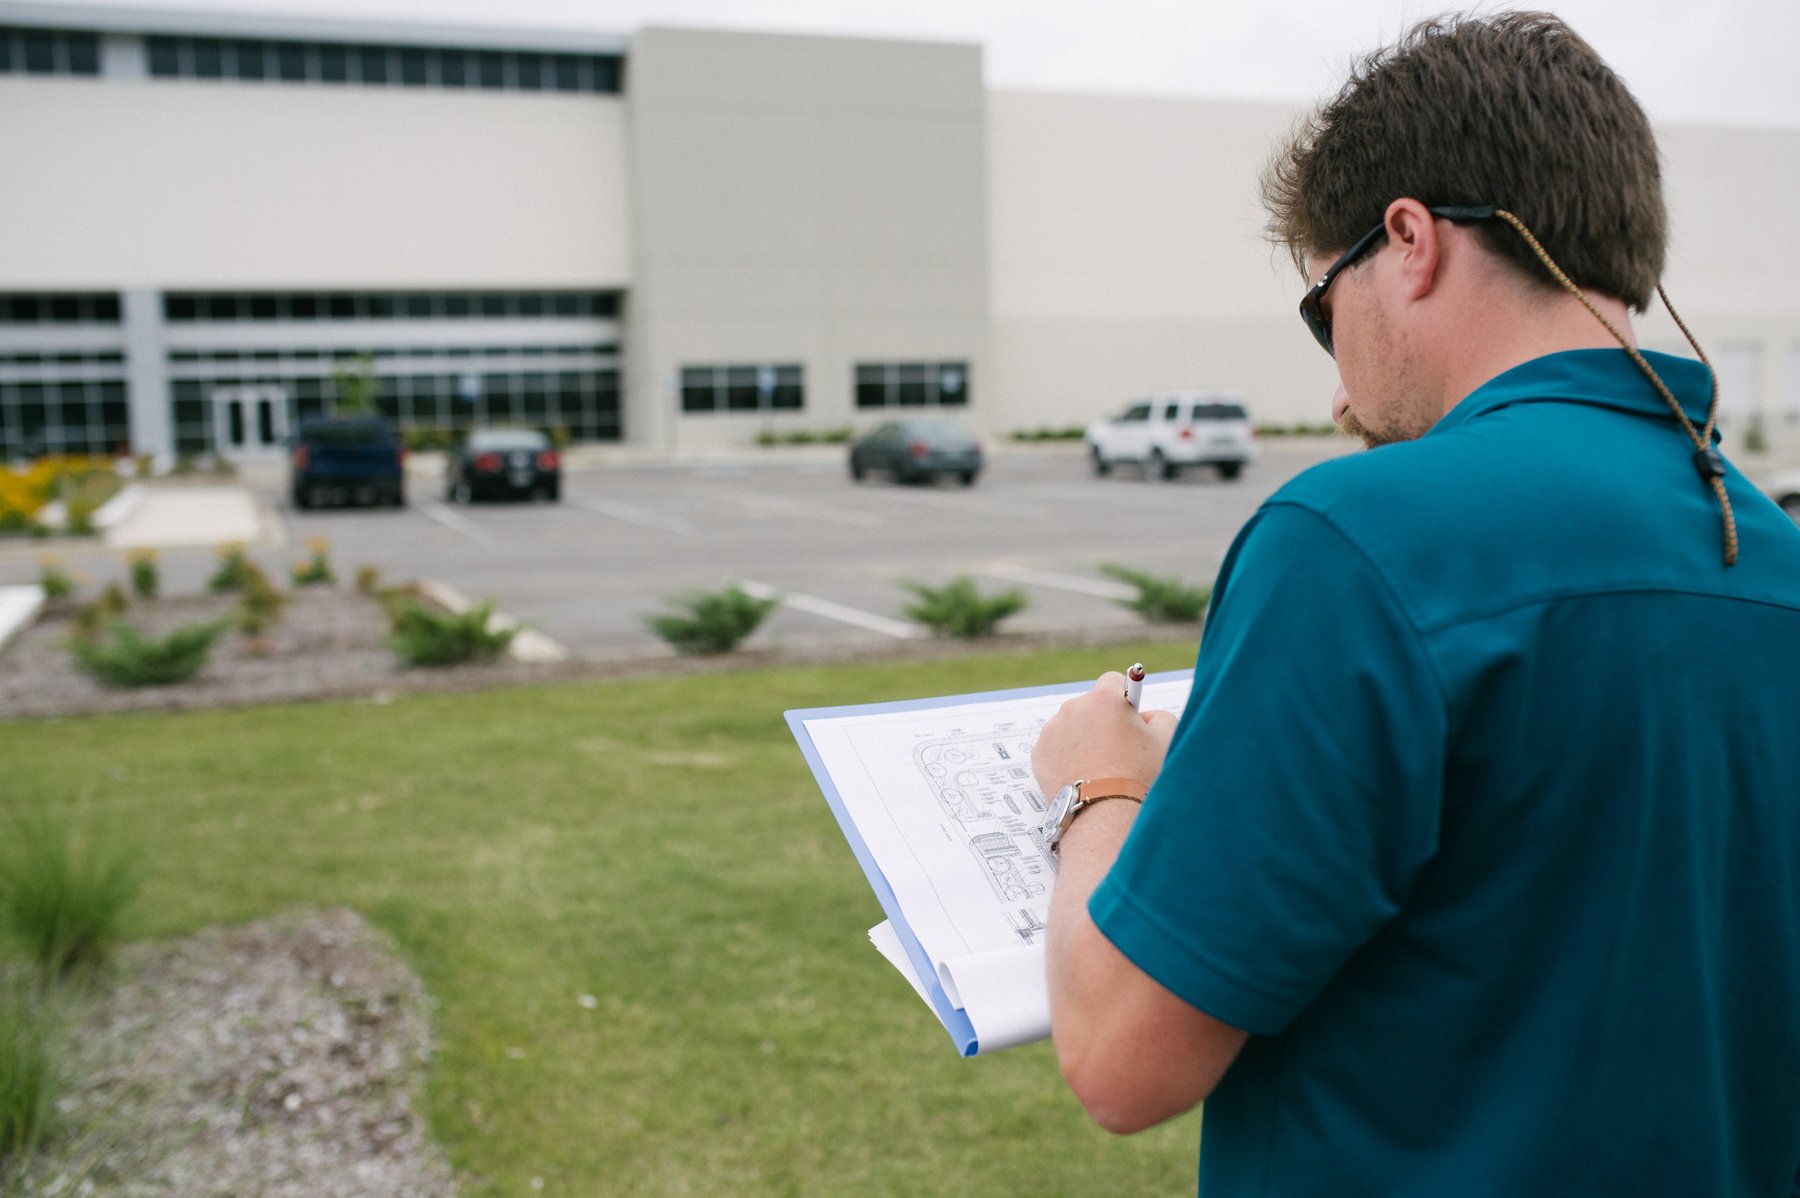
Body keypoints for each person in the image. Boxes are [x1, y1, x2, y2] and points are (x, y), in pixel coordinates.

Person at [1030, 12, 1800, 1195]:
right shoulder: (1774, 556)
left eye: (1322, 307)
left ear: (1408, 242)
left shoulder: (1355, 538)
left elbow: (1120, 1056)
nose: (1338, 391)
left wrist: (1099, 784)